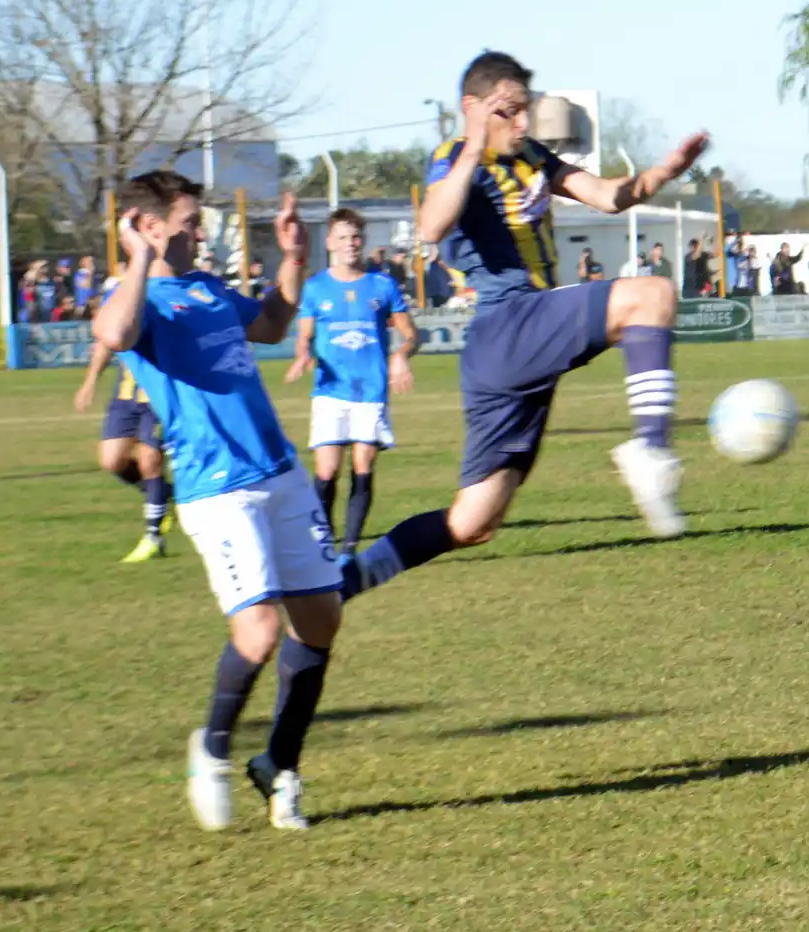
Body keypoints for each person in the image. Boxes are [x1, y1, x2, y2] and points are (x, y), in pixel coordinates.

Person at [344, 50, 708, 600]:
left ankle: (339, 583)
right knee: (651, 295)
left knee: (473, 523)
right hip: (509, 321)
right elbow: (431, 224)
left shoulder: (531, 154)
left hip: (508, 346)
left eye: (524, 111)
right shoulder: (453, 158)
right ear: (472, 109)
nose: (521, 124)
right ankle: (649, 451)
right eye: (506, 112)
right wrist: (471, 142)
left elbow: (608, 196)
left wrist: (663, 173)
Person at [92, 171, 345, 832]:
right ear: (148, 228)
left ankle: (280, 765)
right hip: (216, 489)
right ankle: (210, 748)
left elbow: (271, 322)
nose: (201, 233)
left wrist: (293, 260)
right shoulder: (133, 294)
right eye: (188, 223)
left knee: (320, 623)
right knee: (259, 631)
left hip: (280, 470)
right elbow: (115, 336)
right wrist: (140, 259)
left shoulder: (205, 288)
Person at [285, 207, 419, 555]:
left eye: (356, 237)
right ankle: (323, 544)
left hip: (370, 390)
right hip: (330, 390)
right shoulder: (315, 288)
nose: (350, 244)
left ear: (364, 241)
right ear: (330, 242)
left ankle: (349, 548)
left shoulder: (382, 285)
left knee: (363, 465)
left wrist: (401, 355)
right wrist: (303, 353)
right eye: (343, 237)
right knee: (327, 469)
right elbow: (304, 336)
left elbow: (411, 335)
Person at [74, 340, 173, 562]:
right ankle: (162, 494)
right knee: (111, 461)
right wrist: (89, 382)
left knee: (150, 461)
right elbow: (105, 342)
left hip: (159, 397)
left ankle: (153, 537)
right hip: (125, 397)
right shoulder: (124, 308)